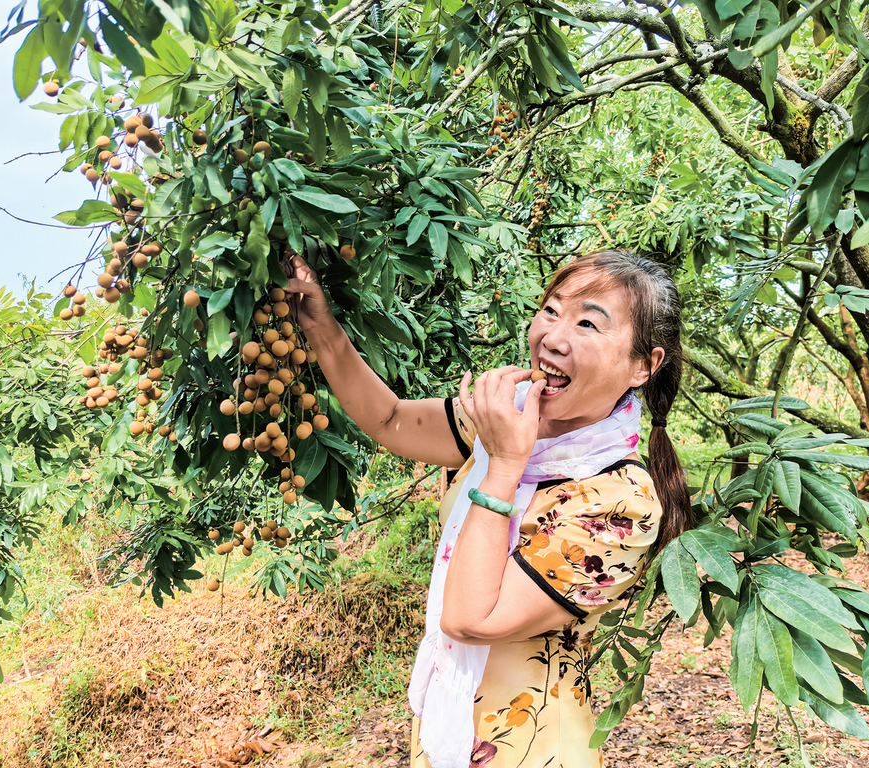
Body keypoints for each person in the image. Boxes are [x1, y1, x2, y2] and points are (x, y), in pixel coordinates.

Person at [285, 249, 690, 768]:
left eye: (588, 323)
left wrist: (503, 464)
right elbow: (389, 420)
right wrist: (321, 327)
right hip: (443, 729)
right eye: (551, 310)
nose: (553, 337)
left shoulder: (621, 502)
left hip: (532, 748)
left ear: (643, 365)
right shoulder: (510, 421)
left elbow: (471, 621)